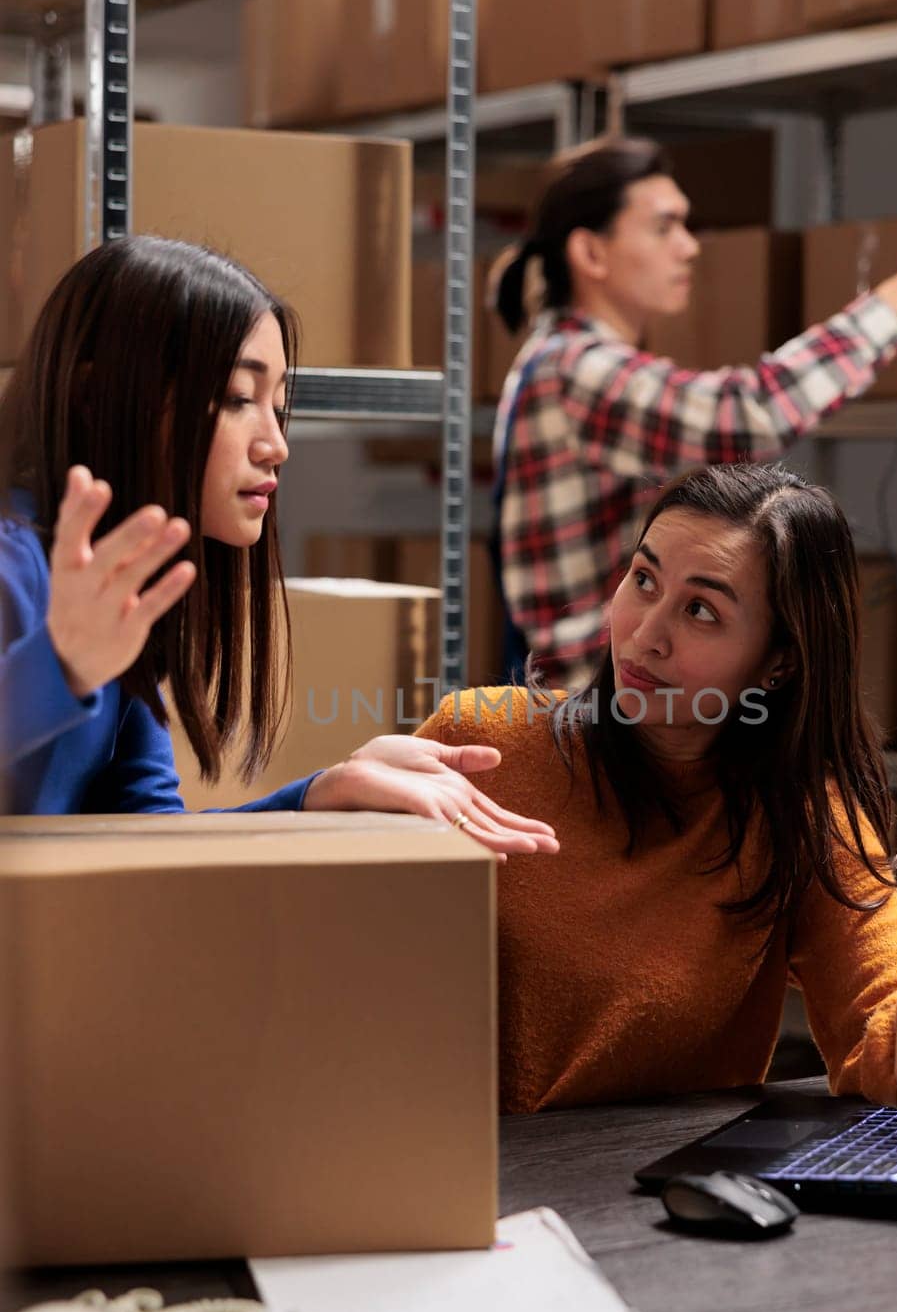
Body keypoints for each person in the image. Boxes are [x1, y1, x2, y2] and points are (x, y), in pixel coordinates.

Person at [420, 461, 897, 1127]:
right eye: (643, 579)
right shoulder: (482, 744)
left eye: (699, 610)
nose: (644, 634)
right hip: (434, 1174)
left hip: (646, 1203)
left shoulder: (798, 813)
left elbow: (879, 1015)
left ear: (779, 662)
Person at [0, 234, 558, 860]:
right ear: (93, 397)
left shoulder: (125, 589)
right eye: (240, 399)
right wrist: (61, 666)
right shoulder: (15, 563)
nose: (276, 445)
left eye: (280, 405)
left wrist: (324, 792)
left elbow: (145, 836)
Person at [491, 136, 897, 691]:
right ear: (591, 253)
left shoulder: (560, 360)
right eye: (664, 227)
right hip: (604, 711)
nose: (689, 247)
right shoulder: (576, 368)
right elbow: (746, 416)